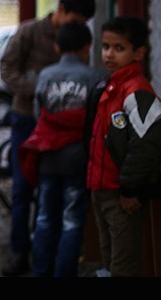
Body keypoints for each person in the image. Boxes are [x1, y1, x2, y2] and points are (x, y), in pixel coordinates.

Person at [0, 0, 96, 277]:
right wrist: (41, 87)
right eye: (75, 19)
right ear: (61, 10)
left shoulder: (76, 41)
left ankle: (52, 256)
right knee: (22, 189)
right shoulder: (29, 31)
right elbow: (6, 69)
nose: (77, 27)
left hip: (66, 131)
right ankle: (20, 253)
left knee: (51, 193)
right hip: (28, 119)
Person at [19, 22, 106, 277]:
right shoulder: (96, 77)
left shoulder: (45, 75)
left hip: (47, 157)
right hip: (78, 159)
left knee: (45, 217)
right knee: (72, 220)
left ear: (57, 47)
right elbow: (96, 124)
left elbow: (39, 117)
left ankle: (40, 272)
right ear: (88, 47)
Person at [86, 16, 161, 277]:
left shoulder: (137, 91)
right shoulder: (108, 85)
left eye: (119, 48)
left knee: (124, 264)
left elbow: (146, 146)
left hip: (121, 196)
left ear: (139, 52)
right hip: (100, 190)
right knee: (109, 257)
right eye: (106, 46)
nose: (109, 54)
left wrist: (130, 190)